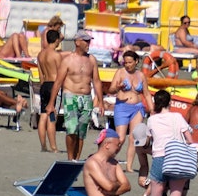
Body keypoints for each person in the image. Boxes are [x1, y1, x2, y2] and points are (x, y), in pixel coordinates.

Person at [48, 30, 103, 161]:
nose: (89, 44)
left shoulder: (92, 60)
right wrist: (51, 103)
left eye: (89, 41)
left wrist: (100, 101)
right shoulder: (67, 60)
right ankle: (70, 158)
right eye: (86, 41)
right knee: (72, 129)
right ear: (77, 42)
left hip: (86, 98)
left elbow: (96, 81)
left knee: (81, 132)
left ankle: (76, 160)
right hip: (70, 96)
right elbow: (58, 83)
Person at [145, 90, 193, 196]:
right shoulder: (177, 117)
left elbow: (148, 141)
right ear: (170, 102)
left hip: (159, 158)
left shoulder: (151, 119)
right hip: (176, 159)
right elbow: (189, 139)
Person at [108, 50, 152, 170]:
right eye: (125, 62)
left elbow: (146, 94)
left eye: (130, 62)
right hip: (122, 107)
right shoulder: (120, 72)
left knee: (133, 138)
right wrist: (117, 88)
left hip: (137, 107)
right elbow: (111, 90)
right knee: (120, 138)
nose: (127, 65)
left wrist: (152, 110)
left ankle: (129, 166)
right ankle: (107, 159)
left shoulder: (141, 75)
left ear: (136, 61)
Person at [36, 28, 63, 153]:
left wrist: (43, 87)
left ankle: (43, 145)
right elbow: (60, 74)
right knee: (52, 116)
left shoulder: (41, 54)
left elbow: (41, 75)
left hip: (44, 85)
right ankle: (53, 147)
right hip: (54, 85)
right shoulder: (56, 55)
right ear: (56, 40)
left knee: (42, 116)